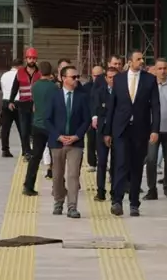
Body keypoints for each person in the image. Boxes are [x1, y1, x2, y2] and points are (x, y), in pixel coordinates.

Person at [103, 50, 160, 217]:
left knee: (136, 166)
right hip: (121, 129)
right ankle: (117, 201)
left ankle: (134, 203)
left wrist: (155, 129)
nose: (142, 61)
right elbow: (112, 106)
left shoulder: (150, 79)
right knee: (120, 164)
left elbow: (155, 106)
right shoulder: (119, 79)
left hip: (140, 129)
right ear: (130, 61)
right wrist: (107, 132)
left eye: (142, 59)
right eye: (138, 59)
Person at [46, 66, 91, 218]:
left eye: (78, 76)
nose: (77, 79)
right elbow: (46, 119)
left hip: (75, 143)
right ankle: (58, 201)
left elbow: (87, 120)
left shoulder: (82, 97)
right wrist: (58, 136)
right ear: (63, 78)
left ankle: (72, 207)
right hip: (57, 143)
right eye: (74, 77)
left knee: (73, 175)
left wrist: (77, 136)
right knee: (57, 175)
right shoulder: (54, 96)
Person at [145, 58, 167, 201]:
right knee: (151, 160)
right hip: (153, 130)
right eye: (160, 68)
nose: (163, 71)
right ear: (155, 69)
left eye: (165, 68)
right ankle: (151, 189)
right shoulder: (148, 85)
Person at [21, 61, 58, 196]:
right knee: (56, 157)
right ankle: (57, 186)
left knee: (35, 156)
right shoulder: (54, 88)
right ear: (51, 72)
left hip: (37, 125)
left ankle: (28, 186)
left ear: (40, 72)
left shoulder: (34, 86)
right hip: (52, 126)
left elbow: (34, 105)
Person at [7, 48, 41, 158]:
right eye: (30, 58)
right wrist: (11, 101)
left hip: (36, 105)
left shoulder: (40, 73)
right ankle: (26, 151)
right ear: (26, 59)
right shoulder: (20, 72)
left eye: (33, 58)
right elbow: (14, 87)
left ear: (36, 60)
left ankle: (34, 150)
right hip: (23, 104)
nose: (31, 60)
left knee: (34, 129)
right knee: (24, 129)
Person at [91, 64, 117, 202]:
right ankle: (100, 190)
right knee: (101, 161)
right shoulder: (100, 91)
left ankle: (114, 191)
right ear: (105, 78)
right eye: (109, 77)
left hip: (116, 131)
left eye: (114, 77)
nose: (112, 80)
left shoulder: (121, 92)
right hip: (102, 131)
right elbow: (97, 109)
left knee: (116, 162)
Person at [85, 64, 105, 171]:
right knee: (91, 141)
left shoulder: (107, 87)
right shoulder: (87, 87)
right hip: (90, 118)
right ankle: (92, 163)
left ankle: (103, 162)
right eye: (94, 76)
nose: (96, 78)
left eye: (99, 76)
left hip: (103, 118)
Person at [0, 58, 20, 158]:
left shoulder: (4, 75)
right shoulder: (20, 75)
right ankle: (25, 149)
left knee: (5, 128)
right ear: (20, 66)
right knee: (22, 128)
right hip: (18, 103)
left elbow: (3, 89)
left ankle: (5, 150)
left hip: (6, 102)